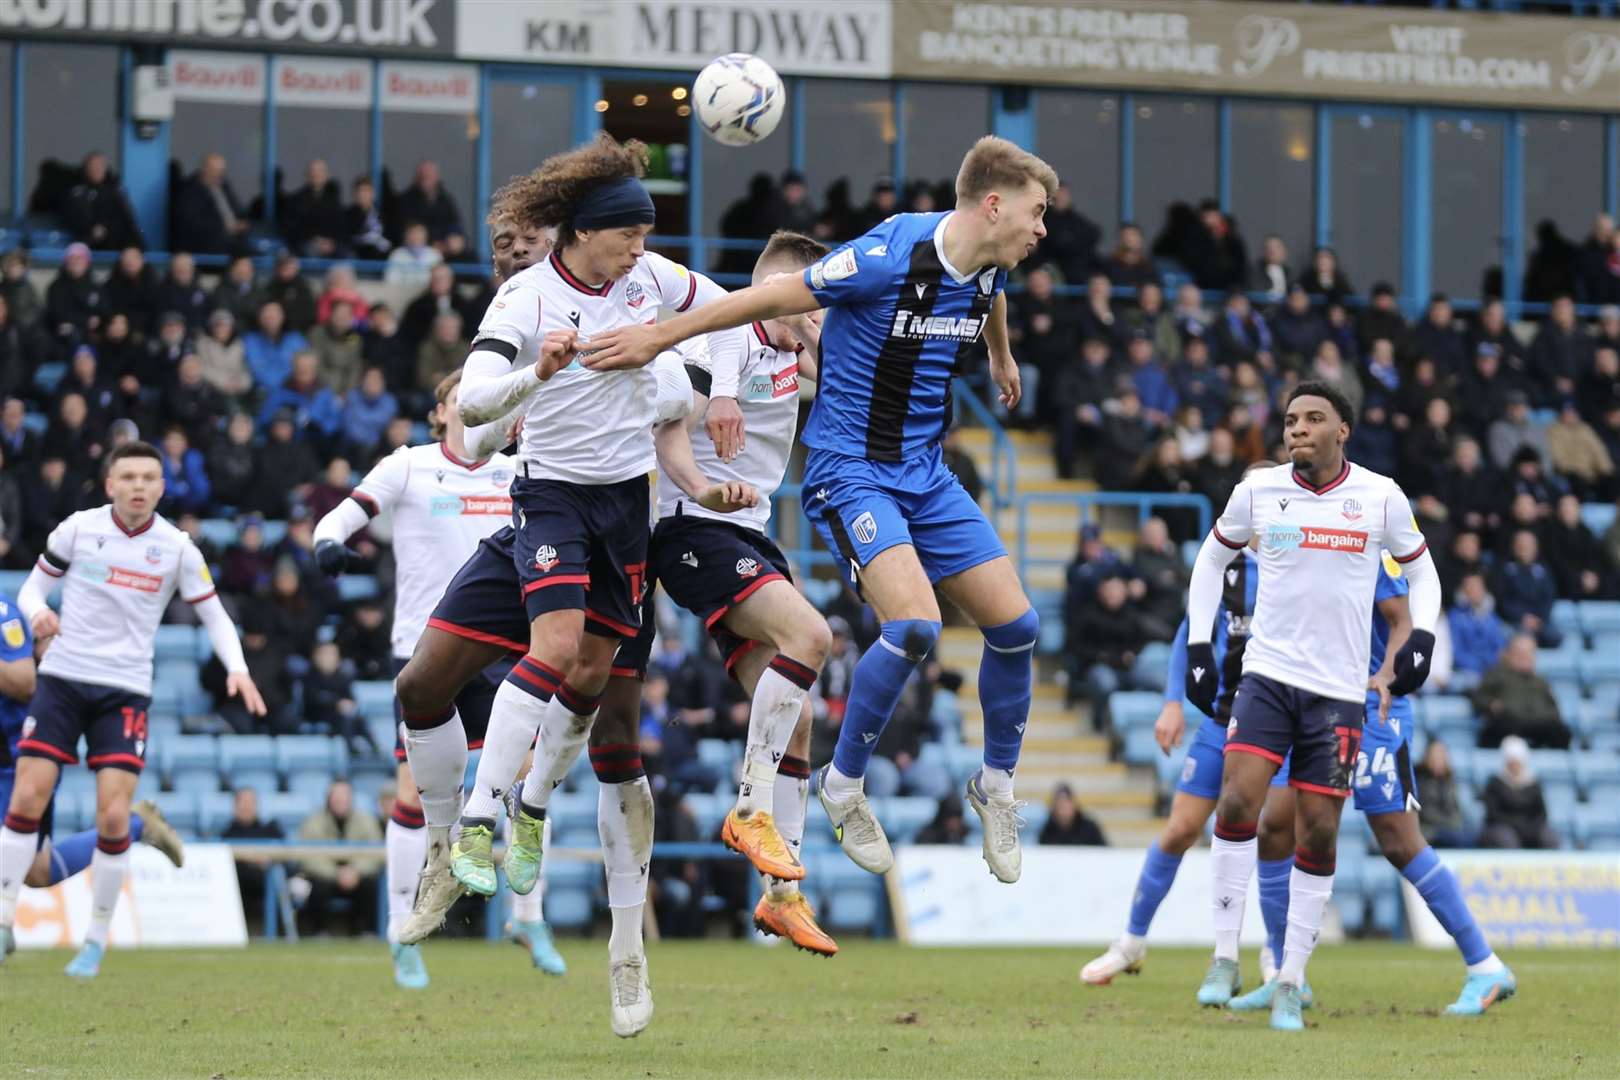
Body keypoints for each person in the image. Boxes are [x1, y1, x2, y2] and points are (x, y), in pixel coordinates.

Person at [587, 135, 1054, 889]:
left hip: (926, 473)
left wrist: (1000, 356)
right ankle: (844, 783)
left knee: (1019, 627)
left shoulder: (991, 264)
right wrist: (659, 336)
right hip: (852, 471)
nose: (1043, 230)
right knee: (914, 627)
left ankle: (995, 786)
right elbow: (771, 296)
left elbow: (989, 294)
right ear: (993, 205)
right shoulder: (887, 254)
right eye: (1036, 213)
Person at [420, 141, 744, 1035]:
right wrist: (543, 371)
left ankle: (526, 806)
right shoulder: (525, 297)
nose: (640, 249)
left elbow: (728, 308)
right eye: (628, 235)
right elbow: (477, 404)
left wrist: (708, 383)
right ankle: (479, 818)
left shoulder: (651, 280)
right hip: (552, 495)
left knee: (594, 680)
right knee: (555, 649)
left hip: (626, 509)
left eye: (647, 235)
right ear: (584, 232)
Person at [1180, 380, 1441, 1031]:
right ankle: (1222, 956)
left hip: (1338, 692)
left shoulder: (1379, 497)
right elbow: (1210, 561)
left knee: (1318, 829)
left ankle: (1291, 976)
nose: (1297, 429)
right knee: (1239, 801)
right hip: (1266, 676)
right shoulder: (1258, 491)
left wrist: (1425, 636)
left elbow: (1424, 573)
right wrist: (1197, 643)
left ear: (1341, 431)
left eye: (1312, 418)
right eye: (1291, 419)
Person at [313, 361, 551, 987]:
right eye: (459, 400)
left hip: (504, 644)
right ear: (441, 412)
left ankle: (528, 916)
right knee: (410, 791)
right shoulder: (410, 463)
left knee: (530, 777)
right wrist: (328, 540)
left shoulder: (515, 468)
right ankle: (402, 926)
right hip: (425, 649)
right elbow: (350, 509)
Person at [0, 443, 265, 977]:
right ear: (111, 485)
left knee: (114, 814)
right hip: (63, 680)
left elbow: (214, 616)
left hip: (123, 690)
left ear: (161, 488)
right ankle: (4, 918)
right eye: (129, 477)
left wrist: (237, 666)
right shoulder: (78, 529)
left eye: (149, 477)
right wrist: (38, 615)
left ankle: (95, 940)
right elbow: (32, 591)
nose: (139, 486)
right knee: (28, 795)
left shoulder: (177, 548)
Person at [1230, 554, 1514, 1018]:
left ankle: (1485, 965)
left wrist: (1384, 675)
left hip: (1370, 705)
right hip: (1305, 702)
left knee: (1399, 840)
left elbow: (1402, 619)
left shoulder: (1366, 535)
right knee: (1274, 826)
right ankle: (1286, 974)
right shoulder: (1294, 540)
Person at [0, 586, 185, 964]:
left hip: (14, 759)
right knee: (36, 871)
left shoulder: (3, 610)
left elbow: (25, 682)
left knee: (36, 870)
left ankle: (135, 824)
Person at [292, 780, 384, 936]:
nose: (341, 801)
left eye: (345, 796)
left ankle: (368, 933)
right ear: (328, 798)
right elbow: (309, 856)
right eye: (336, 796)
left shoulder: (366, 821)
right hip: (326, 877)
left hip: (357, 877)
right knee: (318, 886)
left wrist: (355, 871)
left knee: (371, 884)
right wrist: (336, 873)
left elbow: (374, 853)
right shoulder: (313, 822)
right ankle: (319, 933)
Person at [1472, 633, 1570, 749]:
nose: (1526, 657)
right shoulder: (1496, 675)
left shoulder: (1540, 682)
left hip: (1537, 724)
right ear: (1510, 654)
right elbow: (1479, 697)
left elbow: (1554, 710)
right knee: (1494, 730)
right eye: (1521, 653)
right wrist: (1492, 705)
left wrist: (1546, 717)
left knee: (1561, 732)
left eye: (1529, 653)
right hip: (1508, 723)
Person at [1480, 736, 1559, 849]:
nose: (1515, 766)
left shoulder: (1533, 784)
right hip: (1503, 827)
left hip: (1530, 828)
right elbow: (1493, 814)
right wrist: (1515, 825)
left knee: (1549, 837)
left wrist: (1529, 827)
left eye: (1517, 762)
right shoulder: (1495, 783)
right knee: (1506, 838)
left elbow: (1541, 813)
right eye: (1512, 762)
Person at [1415, 741, 1472, 849]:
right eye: (1435, 755)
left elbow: (1455, 809)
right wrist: (1448, 824)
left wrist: (1454, 823)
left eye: (1442, 755)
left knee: (1468, 837)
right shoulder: (1419, 780)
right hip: (1427, 829)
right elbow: (1425, 812)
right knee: (1454, 838)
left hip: (1448, 827)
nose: (1439, 759)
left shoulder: (1450, 781)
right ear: (1427, 757)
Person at [1039, 784, 1107, 845]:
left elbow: (1104, 852)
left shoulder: (1089, 828)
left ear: (1074, 804)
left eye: (1067, 803)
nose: (1063, 808)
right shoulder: (1048, 830)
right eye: (1060, 804)